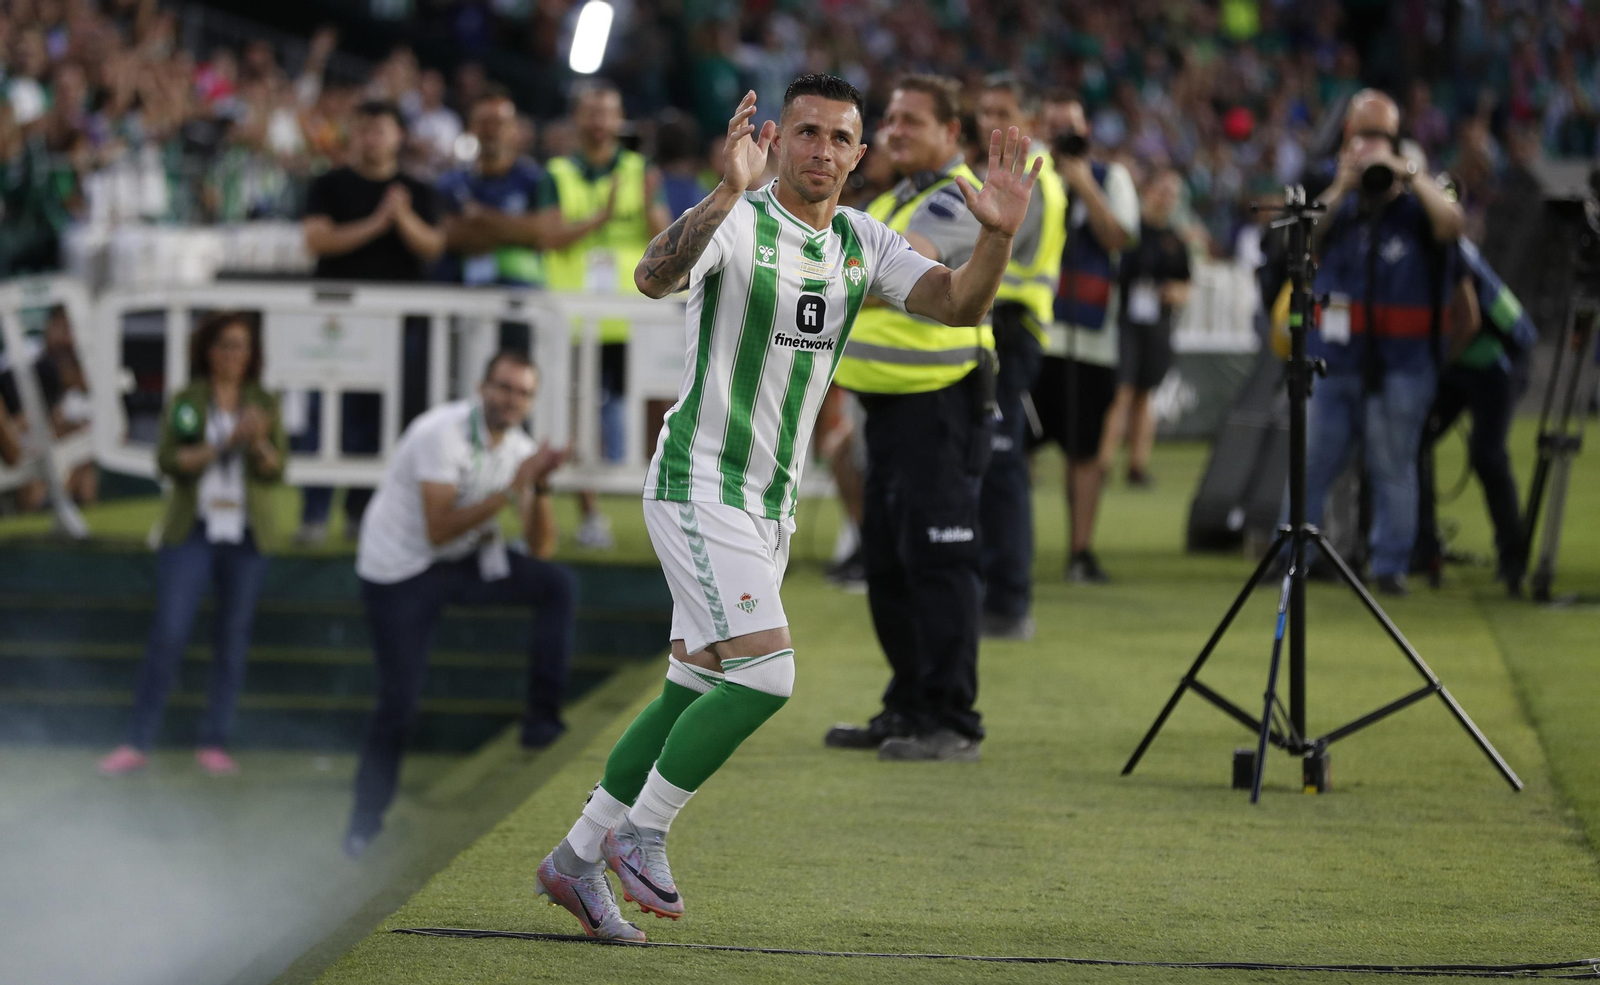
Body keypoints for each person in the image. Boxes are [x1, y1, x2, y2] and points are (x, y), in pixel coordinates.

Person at [533, 76, 1038, 940]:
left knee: (688, 689)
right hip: (699, 482)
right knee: (767, 674)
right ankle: (641, 832)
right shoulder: (738, 220)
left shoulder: (861, 240)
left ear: (859, 152)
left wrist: (995, 237)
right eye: (806, 133)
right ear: (777, 138)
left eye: (841, 139)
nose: (823, 152)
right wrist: (727, 188)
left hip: (768, 506)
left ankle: (576, 859)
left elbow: (961, 305)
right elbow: (654, 277)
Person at [823, 73, 1010, 762]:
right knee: (891, 560)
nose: (894, 130)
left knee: (940, 559)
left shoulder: (957, 196)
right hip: (893, 410)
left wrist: (818, 277)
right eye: (891, 119)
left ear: (951, 134)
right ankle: (907, 703)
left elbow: (912, 272)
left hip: (940, 405)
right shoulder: (901, 198)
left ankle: (952, 718)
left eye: (912, 120)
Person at [345, 350, 573, 857]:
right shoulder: (439, 432)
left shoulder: (519, 447)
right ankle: (363, 822)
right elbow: (438, 527)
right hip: (398, 570)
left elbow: (541, 548)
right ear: (482, 388)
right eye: (504, 388)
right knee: (398, 704)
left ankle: (541, 721)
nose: (513, 400)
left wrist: (538, 486)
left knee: (555, 583)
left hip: (458, 561)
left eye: (523, 392)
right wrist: (514, 488)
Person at [98, 313, 288, 777]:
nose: (231, 355)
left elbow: (275, 469)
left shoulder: (263, 402)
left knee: (232, 639)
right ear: (207, 350)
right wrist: (226, 442)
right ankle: (137, 741)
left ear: (252, 353)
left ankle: (214, 740)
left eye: (240, 346)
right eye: (224, 345)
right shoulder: (188, 401)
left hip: (246, 533)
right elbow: (172, 461)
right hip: (194, 529)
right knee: (169, 632)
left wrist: (258, 442)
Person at [1303, 89, 1464, 596]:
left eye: (1382, 138)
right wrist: (1343, 183)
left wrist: (1410, 175)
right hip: (1337, 361)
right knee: (1312, 462)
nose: (1371, 147)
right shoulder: (1335, 194)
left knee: (1393, 464)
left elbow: (1453, 224)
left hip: (1402, 364)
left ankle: (1390, 565)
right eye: (1362, 136)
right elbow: (1301, 240)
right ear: (1346, 138)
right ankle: (1292, 558)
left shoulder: (1418, 202)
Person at [299, 100, 446, 546]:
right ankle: (314, 515)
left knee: (381, 421)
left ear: (399, 136)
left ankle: (361, 515)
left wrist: (400, 216)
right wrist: (376, 221)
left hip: (400, 326)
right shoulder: (328, 184)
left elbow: (433, 246)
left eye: (380, 130)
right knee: (325, 416)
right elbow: (316, 239)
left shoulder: (418, 190)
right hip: (337, 322)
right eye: (363, 130)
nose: (371, 138)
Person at [535, 79, 672, 550]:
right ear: (577, 119)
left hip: (634, 314)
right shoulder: (554, 172)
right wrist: (601, 216)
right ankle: (590, 514)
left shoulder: (640, 169)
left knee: (661, 407)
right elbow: (549, 238)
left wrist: (654, 205)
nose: (598, 121)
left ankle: (667, 507)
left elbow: (665, 236)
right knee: (573, 416)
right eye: (590, 112)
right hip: (573, 317)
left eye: (607, 112)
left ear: (619, 121)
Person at [1028, 91, 1139, 584]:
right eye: (1053, 127)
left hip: (1091, 339)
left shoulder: (1111, 178)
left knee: (1086, 452)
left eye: (1070, 127)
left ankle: (1081, 551)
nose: (1062, 136)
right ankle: (1008, 547)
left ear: (1088, 132)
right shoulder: (1029, 177)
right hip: (1032, 332)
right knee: (1014, 447)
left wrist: (1082, 183)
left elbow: (1119, 237)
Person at [974, 73, 1067, 641]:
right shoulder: (996, 178)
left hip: (1014, 331)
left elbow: (1001, 264)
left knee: (1004, 469)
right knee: (991, 466)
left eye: (1002, 111)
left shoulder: (1036, 185)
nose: (990, 121)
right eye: (983, 110)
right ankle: (995, 594)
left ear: (1029, 123)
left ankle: (1010, 604)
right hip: (994, 332)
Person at [1415, 236, 1532, 596]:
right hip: (1459, 362)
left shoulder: (1449, 251)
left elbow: (1468, 323)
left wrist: (1435, 361)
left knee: (1487, 455)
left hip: (1499, 361)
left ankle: (1512, 561)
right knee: (1413, 444)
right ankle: (1423, 549)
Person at [439, 87, 616, 290]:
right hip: (460, 295)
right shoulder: (451, 181)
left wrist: (481, 218)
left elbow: (542, 232)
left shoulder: (535, 179)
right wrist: (515, 229)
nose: (491, 131)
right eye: (484, 123)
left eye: (499, 123)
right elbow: (447, 235)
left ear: (514, 129)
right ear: (471, 127)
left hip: (522, 297)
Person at [1100, 166, 1191, 488]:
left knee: (1145, 395)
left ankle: (1137, 466)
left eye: (1173, 194)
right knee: (1121, 392)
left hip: (1157, 324)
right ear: (1148, 192)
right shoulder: (1130, 231)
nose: (1167, 199)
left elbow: (1185, 286)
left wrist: (1172, 293)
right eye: (1163, 191)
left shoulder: (1175, 240)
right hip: (1126, 322)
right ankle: (1103, 463)